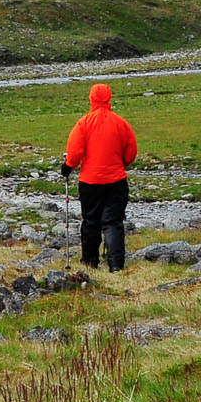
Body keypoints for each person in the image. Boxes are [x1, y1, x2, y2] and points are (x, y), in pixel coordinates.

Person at [63, 82, 138, 270]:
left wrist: (68, 166)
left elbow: (74, 151)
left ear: (91, 98)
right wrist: (121, 164)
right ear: (109, 98)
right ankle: (116, 265)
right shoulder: (121, 123)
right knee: (113, 222)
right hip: (116, 180)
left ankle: (90, 262)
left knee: (91, 221)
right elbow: (131, 151)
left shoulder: (83, 123)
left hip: (90, 182)